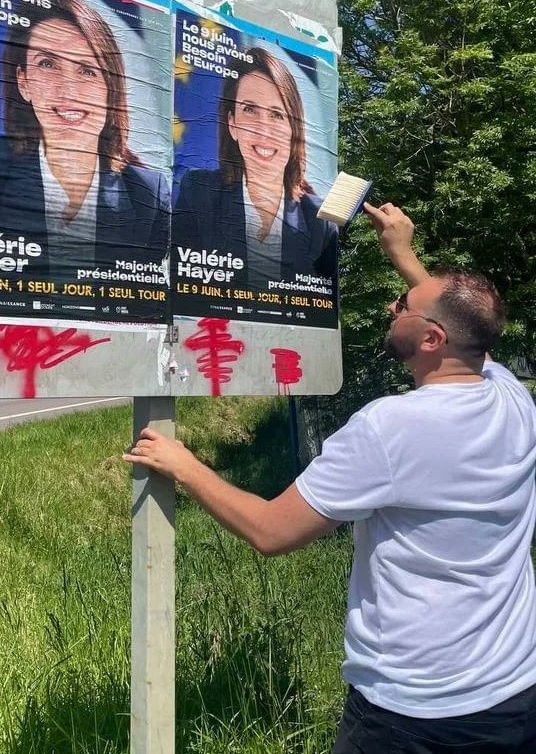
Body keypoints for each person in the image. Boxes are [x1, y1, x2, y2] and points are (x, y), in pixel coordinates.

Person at [126, 201, 536, 753]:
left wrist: (186, 466)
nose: (393, 308)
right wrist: (404, 255)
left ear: (433, 340)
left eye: (403, 308)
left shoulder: (390, 428)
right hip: (513, 691)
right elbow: (468, 328)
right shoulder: (513, 398)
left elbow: (272, 532)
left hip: (413, 711)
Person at [0, 0, 169, 294]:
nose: (67, 89)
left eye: (87, 70)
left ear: (110, 89)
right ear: (23, 82)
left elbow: (144, 305)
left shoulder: (148, 195)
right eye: (48, 64)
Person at [173, 47, 338, 286]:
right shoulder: (198, 193)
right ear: (232, 123)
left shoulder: (320, 219)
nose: (263, 129)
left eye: (277, 114)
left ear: (294, 130)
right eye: (249, 110)